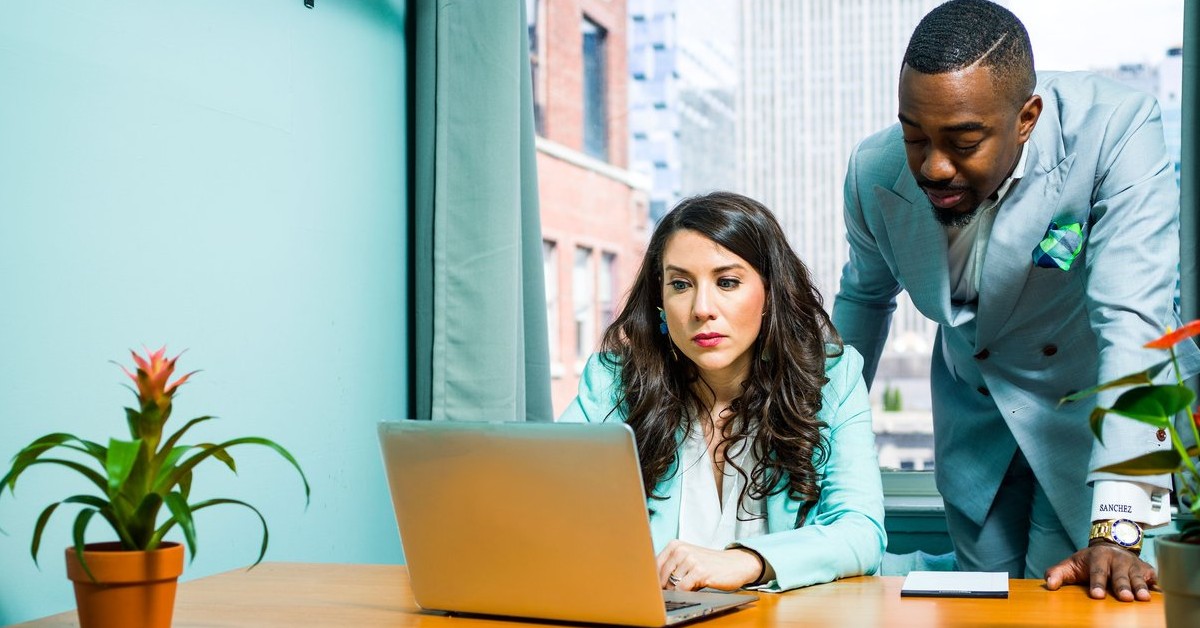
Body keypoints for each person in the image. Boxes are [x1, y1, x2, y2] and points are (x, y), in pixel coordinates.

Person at [833, 0, 1199, 602]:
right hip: (977, 429)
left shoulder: (1115, 128)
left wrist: (1116, 526)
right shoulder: (871, 172)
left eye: (963, 141)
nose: (933, 165)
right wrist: (807, 441)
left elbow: (1134, 322)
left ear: (1026, 118)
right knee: (985, 608)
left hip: (1097, 426)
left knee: (1085, 604)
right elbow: (864, 303)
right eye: (914, 136)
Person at [560, 191, 886, 593]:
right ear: (660, 301)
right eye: (680, 284)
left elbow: (861, 531)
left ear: (770, 293)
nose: (702, 308)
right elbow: (549, 508)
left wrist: (749, 561)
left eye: (727, 282)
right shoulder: (613, 384)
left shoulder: (832, 377)